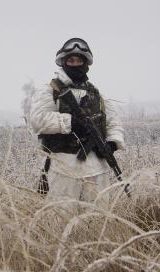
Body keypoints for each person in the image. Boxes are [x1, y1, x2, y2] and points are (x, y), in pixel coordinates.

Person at [22, 38, 125, 205]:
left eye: (79, 60)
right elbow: (38, 120)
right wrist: (71, 122)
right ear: (63, 62)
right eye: (71, 60)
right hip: (63, 169)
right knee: (60, 222)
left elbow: (114, 123)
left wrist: (113, 143)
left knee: (97, 221)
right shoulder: (50, 91)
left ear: (86, 63)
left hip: (97, 170)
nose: (75, 64)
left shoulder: (97, 95)